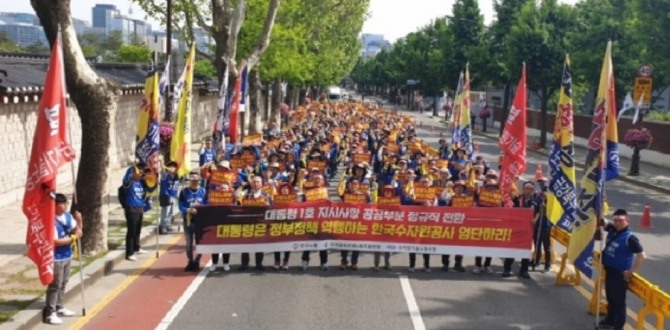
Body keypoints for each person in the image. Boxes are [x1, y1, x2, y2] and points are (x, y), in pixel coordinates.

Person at [599, 209, 645, 330]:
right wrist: (599, 203)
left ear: (627, 220)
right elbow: (602, 221)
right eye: (615, 220)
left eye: (620, 220)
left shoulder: (630, 238)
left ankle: (618, 326)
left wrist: (630, 272)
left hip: (620, 275)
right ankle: (610, 320)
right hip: (609, 271)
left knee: (619, 303)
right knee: (610, 299)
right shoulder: (613, 230)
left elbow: (641, 256)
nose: (617, 223)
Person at [43, 193, 83, 325]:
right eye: (62, 203)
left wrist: (79, 221)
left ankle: (60, 306)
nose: (65, 205)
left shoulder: (67, 216)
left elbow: (78, 232)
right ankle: (50, 312)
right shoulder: (50, 221)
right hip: (56, 257)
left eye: (66, 203)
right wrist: (72, 238)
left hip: (67, 255)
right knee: (55, 285)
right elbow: (55, 241)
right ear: (54, 205)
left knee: (64, 282)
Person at [121, 163, 156, 261]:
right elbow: (126, 177)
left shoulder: (141, 183)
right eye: (138, 171)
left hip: (140, 208)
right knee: (131, 231)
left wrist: (153, 179)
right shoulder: (128, 183)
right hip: (131, 209)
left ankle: (137, 247)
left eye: (141, 172)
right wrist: (133, 169)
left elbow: (151, 188)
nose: (140, 173)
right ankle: (129, 253)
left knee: (138, 230)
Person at [178, 173, 208, 272]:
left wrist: (200, 209)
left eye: (196, 181)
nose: (194, 183)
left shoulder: (203, 191)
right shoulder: (184, 192)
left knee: (200, 242)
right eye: (193, 181)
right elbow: (181, 206)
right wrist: (188, 210)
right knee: (189, 243)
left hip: (200, 220)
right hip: (188, 220)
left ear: (199, 181)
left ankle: (197, 261)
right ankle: (190, 261)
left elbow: (207, 204)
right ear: (190, 181)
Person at [158, 161, 180, 234]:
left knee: (171, 212)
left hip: (173, 196)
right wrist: (162, 163)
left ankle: (168, 224)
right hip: (166, 196)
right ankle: (163, 226)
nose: (172, 169)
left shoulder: (176, 177)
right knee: (165, 212)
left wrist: (178, 196)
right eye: (171, 167)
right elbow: (162, 170)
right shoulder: (165, 175)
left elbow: (177, 187)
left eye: (174, 167)